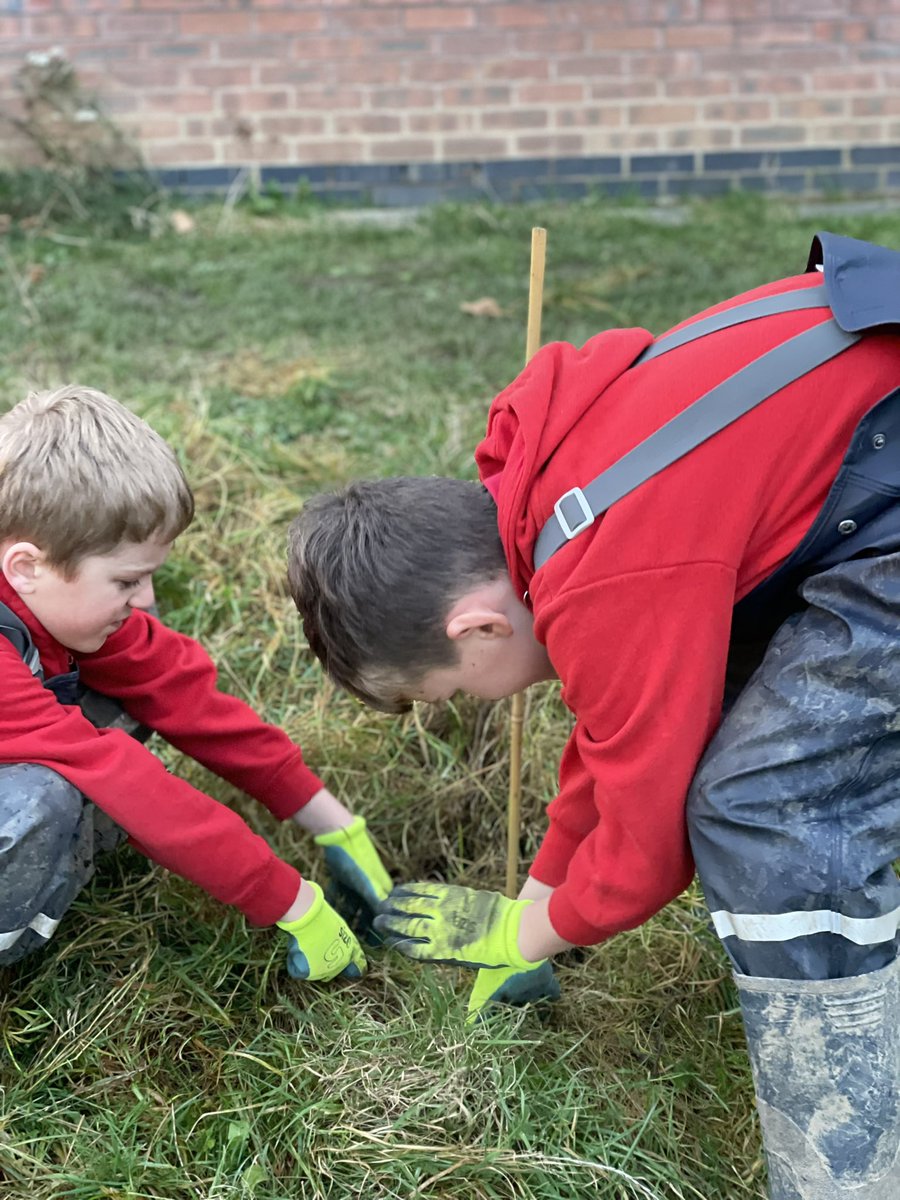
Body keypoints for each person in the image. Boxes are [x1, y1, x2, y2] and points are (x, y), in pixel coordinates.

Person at [286, 231, 900, 1199]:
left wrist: (527, 939)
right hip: (870, 469)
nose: (468, 709)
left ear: (478, 627)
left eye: (445, 695)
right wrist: (542, 895)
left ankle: (849, 1175)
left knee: (765, 806)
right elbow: (616, 742)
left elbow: (652, 840)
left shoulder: (609, 570)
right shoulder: (558, 487)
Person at [0, 385, 391, 980]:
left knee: (125, 694)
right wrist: (291, 902)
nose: (147, 598)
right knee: (40, 800)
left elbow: (181, 692)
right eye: (128, 581)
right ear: (26, 567)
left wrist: (334, 822)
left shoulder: (45, 599)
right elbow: (122, 778)